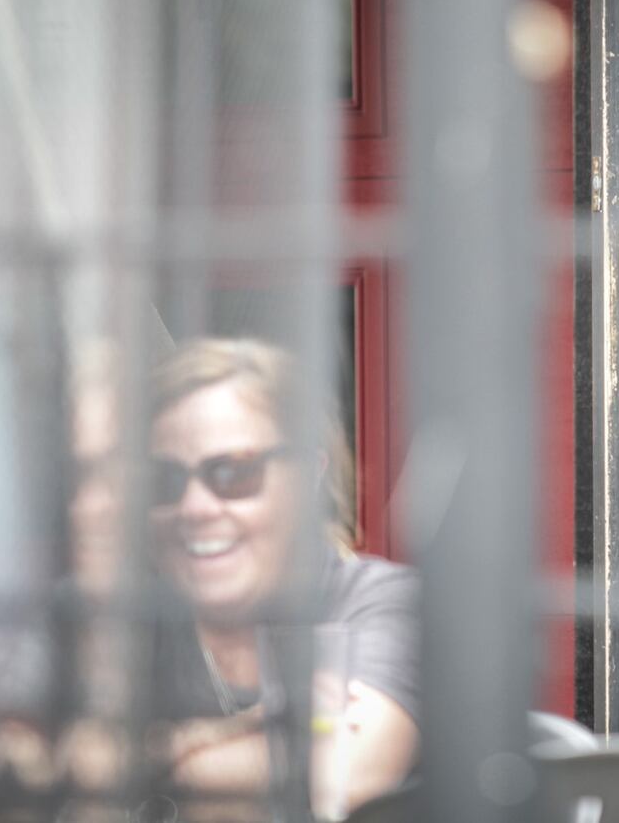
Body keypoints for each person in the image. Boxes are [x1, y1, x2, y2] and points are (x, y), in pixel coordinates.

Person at [147, 338, 420, 817]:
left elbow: (344, 774)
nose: (194, 508)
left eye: (233, 473)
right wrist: (274, 735)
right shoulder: (130, 617)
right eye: (166, 481)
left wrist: (134, 751)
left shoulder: (384, 603)